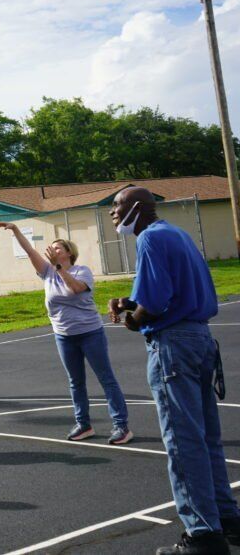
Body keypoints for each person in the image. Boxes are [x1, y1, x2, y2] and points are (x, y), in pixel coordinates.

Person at [108, 187, 239, 555]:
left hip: (174, 347)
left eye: (116, 205)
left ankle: (202, 535)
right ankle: (227, 520)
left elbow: (153, 304)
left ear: (137, 207)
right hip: (200, 340)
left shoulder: (149, 239)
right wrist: (131, 302)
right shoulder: (175, 234)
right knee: (206, 438)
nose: (112, 213)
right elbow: (169, 291)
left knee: (183, 442)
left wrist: (133, 319)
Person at [0, 222, 132, 444]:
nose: (53, 250)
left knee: (106, 379)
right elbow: (30, 251)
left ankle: (121, 426)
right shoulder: (47, 272)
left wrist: (59, 268)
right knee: (75, 382)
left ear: (69, 252)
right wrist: (15, 230)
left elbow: (75, 289)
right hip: (64, 336)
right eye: (51, 248)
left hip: (90, 333)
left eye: (58, 248)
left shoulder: (82, 271)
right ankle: (84, 425)